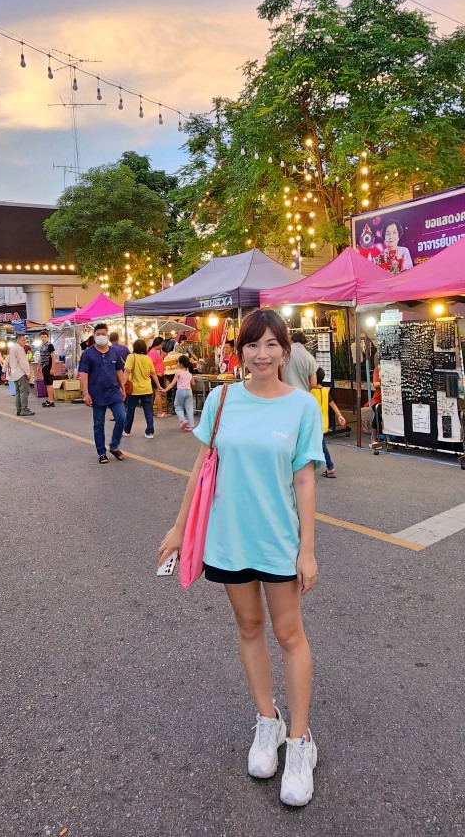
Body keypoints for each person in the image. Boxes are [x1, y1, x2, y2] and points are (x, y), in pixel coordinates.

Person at [157, 308, 325, 807]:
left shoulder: (302, 407)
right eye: (253, 345)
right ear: (241, 351)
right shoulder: (221, 398)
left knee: (289, 634)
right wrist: (178, 527)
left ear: (286, 350)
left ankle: (299, 742)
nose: (262, 354)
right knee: (249, 628)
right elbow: (201, 466)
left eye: (272, 344)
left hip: (278, 542)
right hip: (228, 539)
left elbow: (305, 480)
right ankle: (266, 722)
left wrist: (308, 551)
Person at [78, 322, 127, 463]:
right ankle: (101, 452)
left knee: (121, 418)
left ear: (107, 335)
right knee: (99, 424)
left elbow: (119, 371)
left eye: (103, 334)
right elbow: (84, 374)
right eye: (98, 334)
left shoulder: (114, 352)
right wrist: (86, 393)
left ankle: (114, 446)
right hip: (96, 393)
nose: (100, 336)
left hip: (113, 392)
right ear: (94, 336)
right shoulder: (88, 353)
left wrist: (123, 388)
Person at [312, 366, 346, 479]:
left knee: (314, 446)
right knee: (321, 445)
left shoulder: (310, 391)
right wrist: (340, 415)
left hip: (313, 424)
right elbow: (333, 404)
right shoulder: (325, 391)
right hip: (323, 423)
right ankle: (329, 466)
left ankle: (329, 467)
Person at [123, 338, 157, 439]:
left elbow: (127, 371)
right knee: (148, 411)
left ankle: (127, 430)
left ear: (134, 347)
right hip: (147, 388)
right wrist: (159, 386)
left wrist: (122, 386)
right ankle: (150, 432)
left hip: (134, 389)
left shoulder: (131, 357)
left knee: (130, 410)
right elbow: (153, 374)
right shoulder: (148, 358)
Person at [5, 333, 34, 416]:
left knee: (18, 392)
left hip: (14, 373)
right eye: (23, 340)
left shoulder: (12, 348)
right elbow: (23, 362)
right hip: (21, 373)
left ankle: (19, 409)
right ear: (17, 340)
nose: (24, 342)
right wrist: (27, 373)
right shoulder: (19, 349)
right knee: (24, 391)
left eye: (25, 340)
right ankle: (24, 409)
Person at [165, 354, 197, 430]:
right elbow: (193, 383)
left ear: (181, 364)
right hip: (189, 391)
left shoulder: (178, 373)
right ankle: (190, 426)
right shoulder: (190, 374)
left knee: (178, 406)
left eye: (178, 362)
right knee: (189, 408)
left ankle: (183, 420)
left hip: (180, 391)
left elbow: (173, 383)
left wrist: (165, 390)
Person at [148, 337, 169, 415]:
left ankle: (150, 411)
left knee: (153, 394)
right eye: (161, 345)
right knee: (158, 393)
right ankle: (160, 412)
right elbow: (151, 365)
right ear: (157, 344)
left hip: (156, 375)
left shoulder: (153, 352)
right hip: (156, 375)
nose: (161, 347)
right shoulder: (153, 352)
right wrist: (157, 373)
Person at [39, 339, 56, 408]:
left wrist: (52, 368)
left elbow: (53, 357)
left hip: (48, 365)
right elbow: (41, 357)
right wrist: (39, 366)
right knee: (47, 383)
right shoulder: (41, 346)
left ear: (47, 337)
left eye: (45, 337)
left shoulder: (50, 345)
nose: (43, 338)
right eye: (42, 337)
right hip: (44, 366)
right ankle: (49, 399)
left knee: (49, 383)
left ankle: (51, 401)